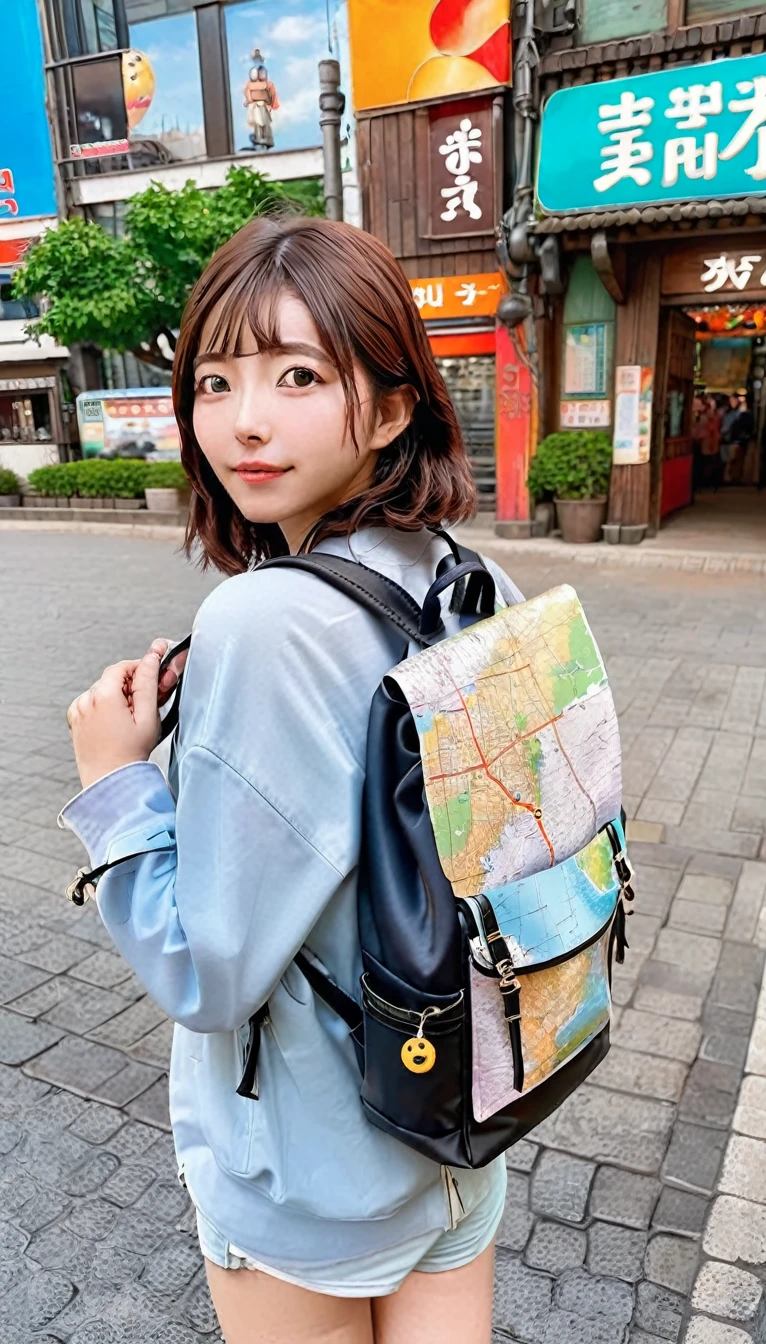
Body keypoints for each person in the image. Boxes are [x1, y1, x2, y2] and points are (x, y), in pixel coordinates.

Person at [61, 217, 523, 1344]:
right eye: (213, 381)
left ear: (397, 402)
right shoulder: (476, 577)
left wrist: (117, 780)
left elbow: (207, 971)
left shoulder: (263, 620)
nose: (244, 420)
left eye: (299, 375)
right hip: (461, 1129)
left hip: (315, 1172)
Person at [244, 50, 279, 150]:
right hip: (255, 104)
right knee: (257, 122)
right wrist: (249, 100)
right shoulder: (252, 74)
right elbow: (248, 90)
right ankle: (258, 138)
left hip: (262, 103)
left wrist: (270, 101)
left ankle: (265, 138)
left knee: (264, 122)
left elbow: (269, 90)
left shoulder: (263, 73)